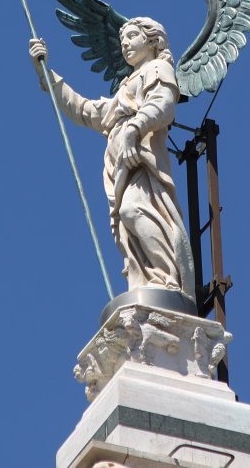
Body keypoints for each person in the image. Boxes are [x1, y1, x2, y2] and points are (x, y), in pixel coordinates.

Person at [29, 18, 194, 300]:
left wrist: (135, 127)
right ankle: (148, 280)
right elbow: (85, 110)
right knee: (126, 224)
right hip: (120, 168)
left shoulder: (158, 68)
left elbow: (164, 105)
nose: (125, 43)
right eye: (122, 40)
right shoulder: (126, 88)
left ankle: (168, 278)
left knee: (133, 210)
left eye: (132, 36)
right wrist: (47, 73)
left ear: (153, 41)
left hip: (143, 162)